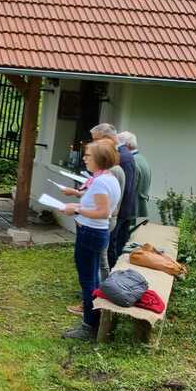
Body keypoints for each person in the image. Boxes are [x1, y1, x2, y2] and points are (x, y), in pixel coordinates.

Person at [61, 142, 121, 340]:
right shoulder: (107, 178)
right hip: (95, 232)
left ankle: (88, 326)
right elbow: (98, 207)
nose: (84, 159)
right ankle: (94, 320)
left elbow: (103, 212)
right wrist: (77, 205)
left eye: (88, 155)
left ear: (100, 159)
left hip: (90, 233)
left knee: (88, 280)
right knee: (93, 279)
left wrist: (77, 209)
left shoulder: (101, 182)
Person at [91, 123, 136, 266]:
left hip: (115, 212)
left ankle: (110, 277)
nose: (94, 144)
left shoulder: (122, 157)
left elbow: (123, 188)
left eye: (96, 140)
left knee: (109, 249)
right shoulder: (118, 154)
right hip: (113, 211)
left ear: (107, 138)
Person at [118, 131, 151, 221]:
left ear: (126, 145)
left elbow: (128, 188)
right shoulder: (141, 158)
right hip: (135, 206)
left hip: (128, 209)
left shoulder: (131, 161)